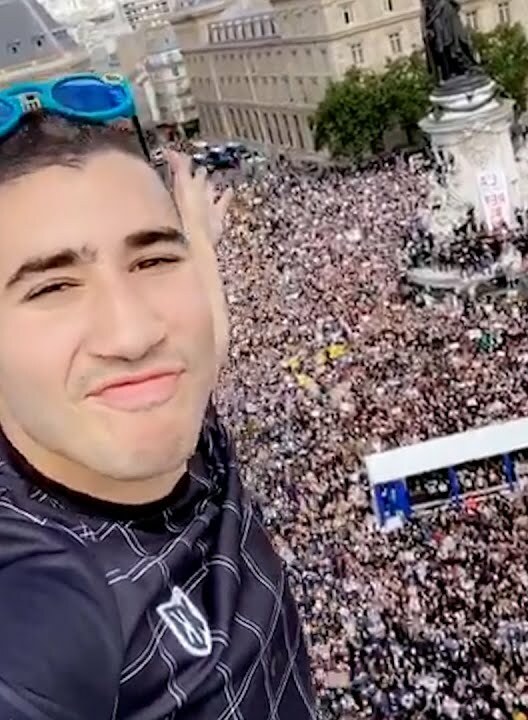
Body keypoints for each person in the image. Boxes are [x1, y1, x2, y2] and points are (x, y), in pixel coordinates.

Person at [0, 76, 316, 718]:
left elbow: (206, 342)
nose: (135, 335)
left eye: (153, 261)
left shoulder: (174, 400)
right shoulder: (43, 594)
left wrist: (195, 233)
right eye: (52, 288)